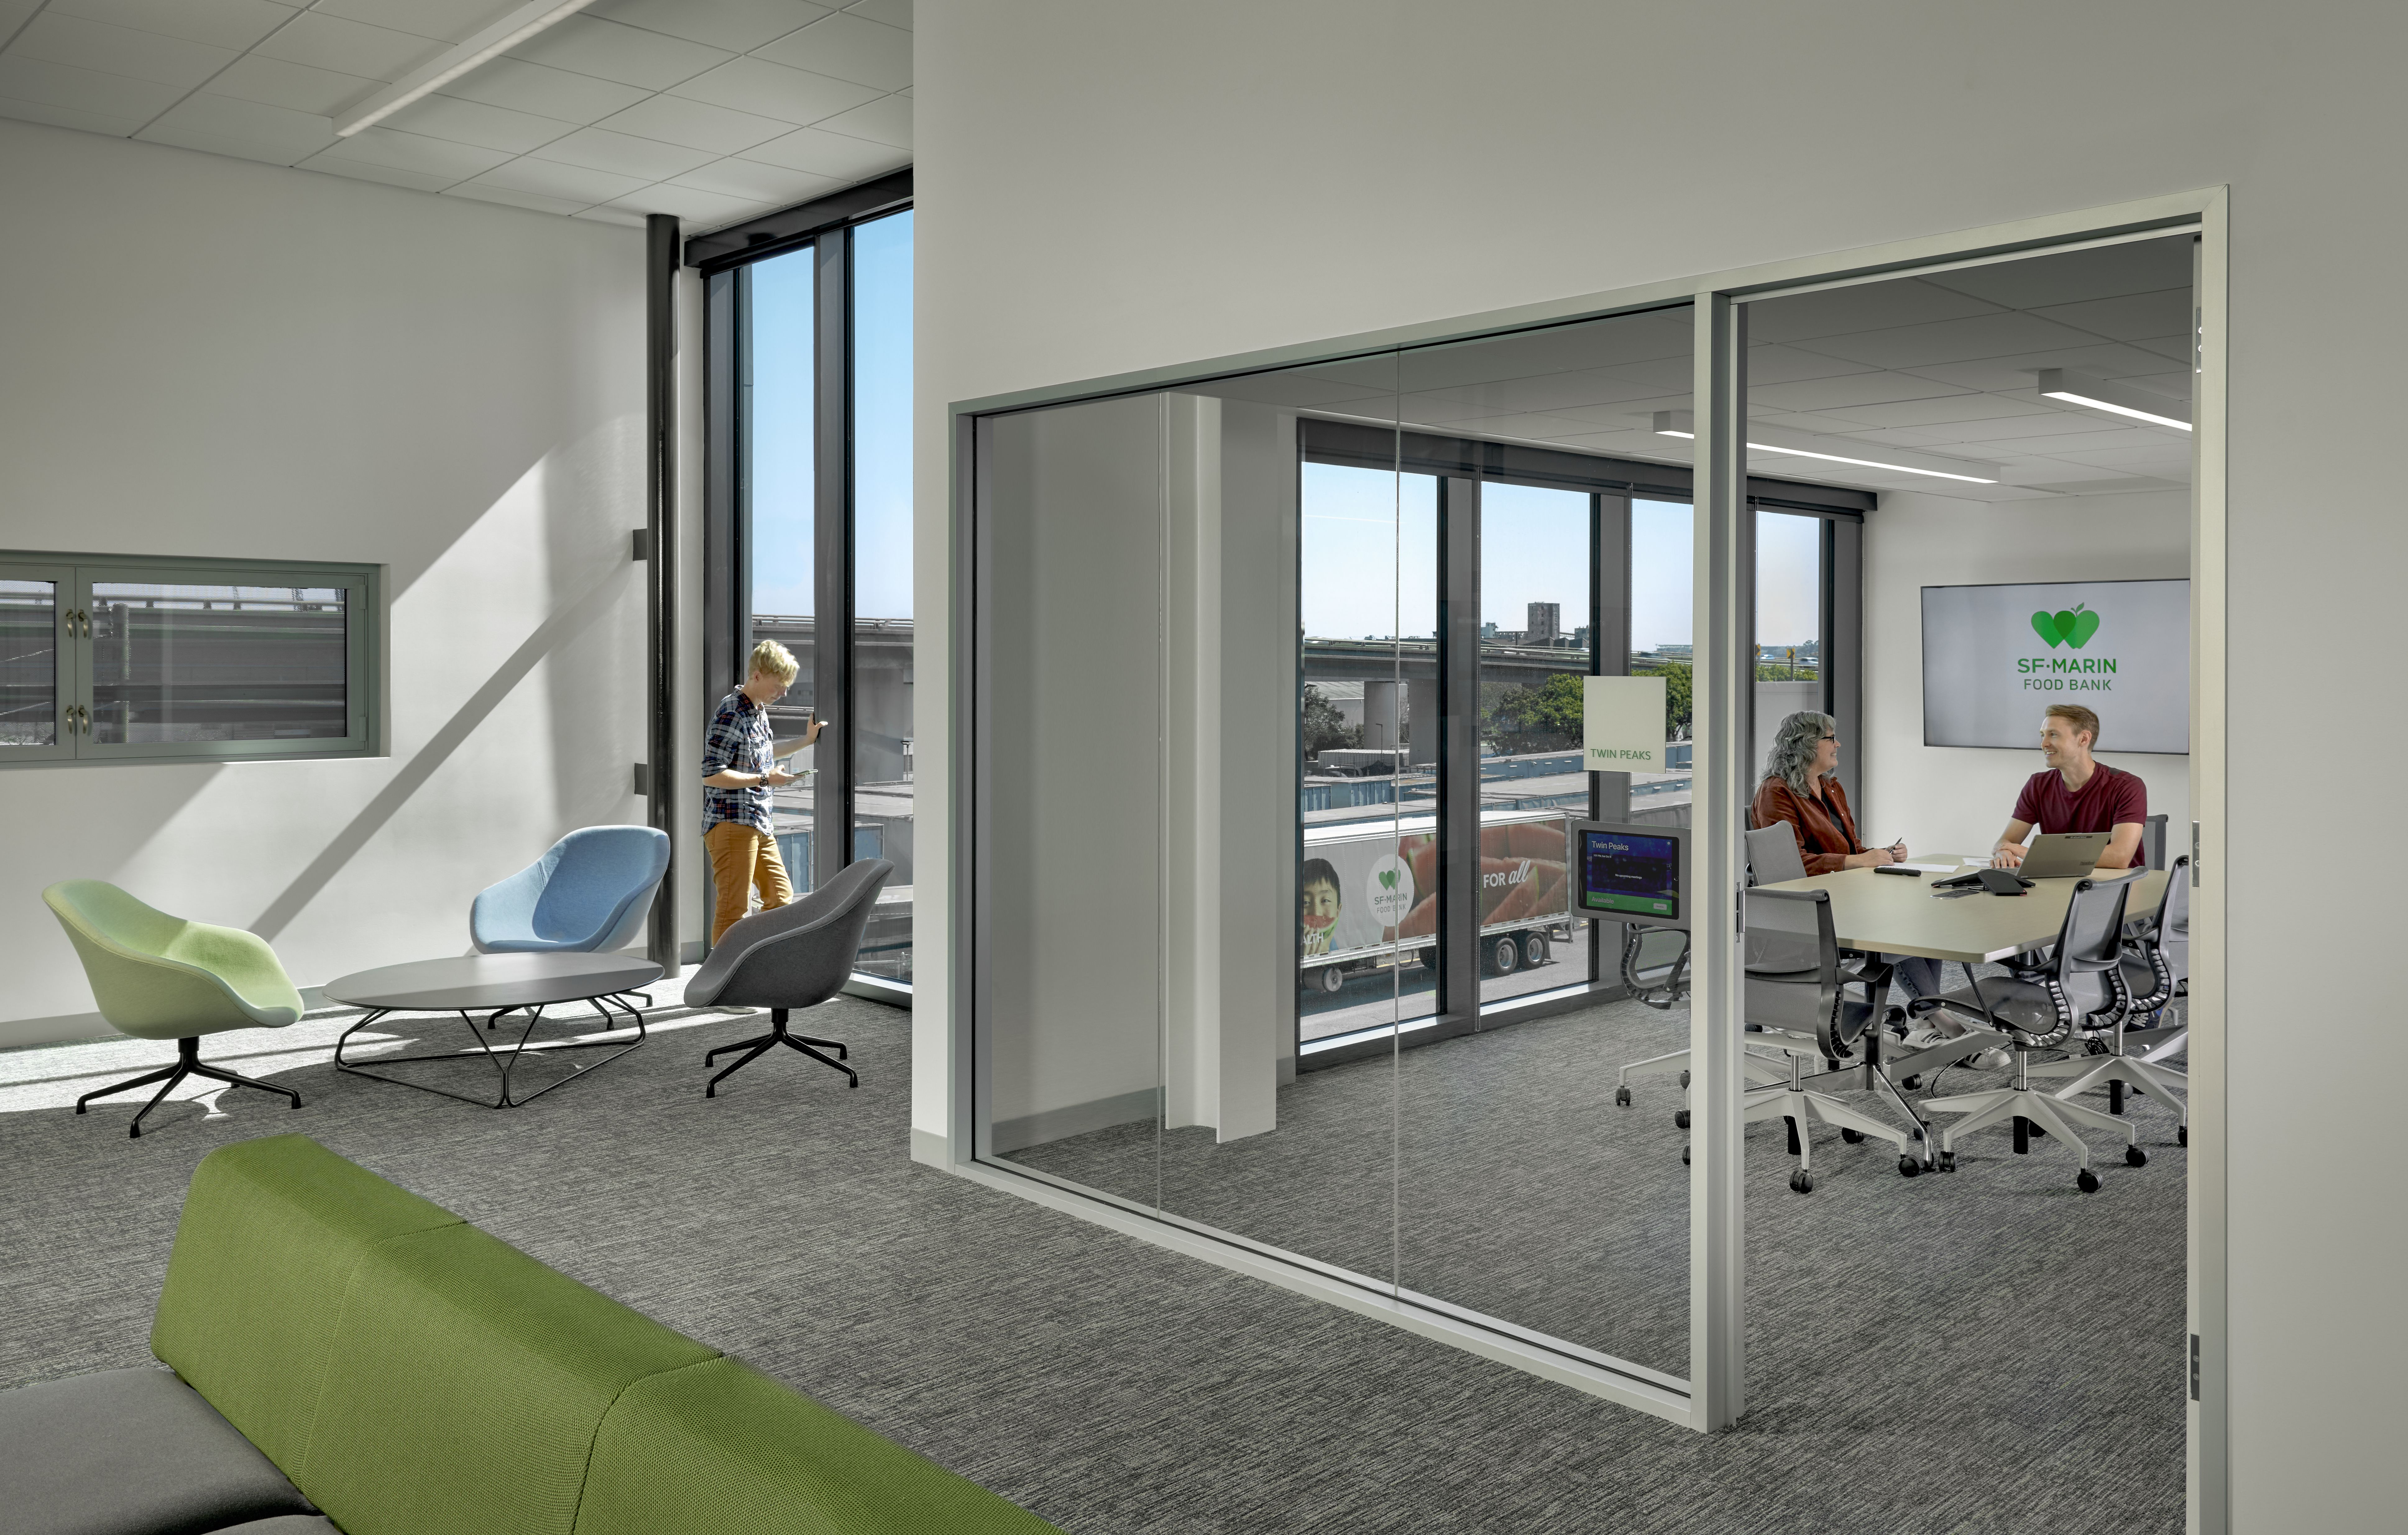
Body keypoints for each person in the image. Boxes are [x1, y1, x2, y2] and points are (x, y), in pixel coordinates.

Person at [1752, 710, 1943, 1000]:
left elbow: (1851, 849)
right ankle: (1938, 1018)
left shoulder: (1831, 786)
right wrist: (1858, 861)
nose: (1838, 744)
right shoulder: (1776, 791)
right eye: (1831, 738)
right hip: (1814, 906)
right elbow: (1791, 866)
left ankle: (1929, 1021)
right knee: (1901, 931)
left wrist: (1881, 854)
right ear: (1807, 743)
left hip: (1850, 896)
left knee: (1923, 922)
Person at [701, 640, 824, 945]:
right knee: (734, 911)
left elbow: (767, 752)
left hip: (757, 821)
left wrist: (806, 741)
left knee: (781, 899)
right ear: (756, 676)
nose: (784, 693)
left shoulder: (758, 711)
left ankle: (762, 970)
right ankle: (721, 987)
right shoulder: (731, 712)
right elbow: (711, 775)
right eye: (779, 685)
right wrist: (765, 780)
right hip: (731, 824)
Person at [1990, 703, 2147, 871]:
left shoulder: (2127, 786)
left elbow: (2119, 857)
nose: (2044, 744)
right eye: (2043, 735)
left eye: (2054, 735)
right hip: (2058, 883)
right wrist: (2003, 853)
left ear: (2084, 739)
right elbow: (2005, 842)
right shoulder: (2038, 785)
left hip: (2115, 889)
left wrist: (2033, 854)